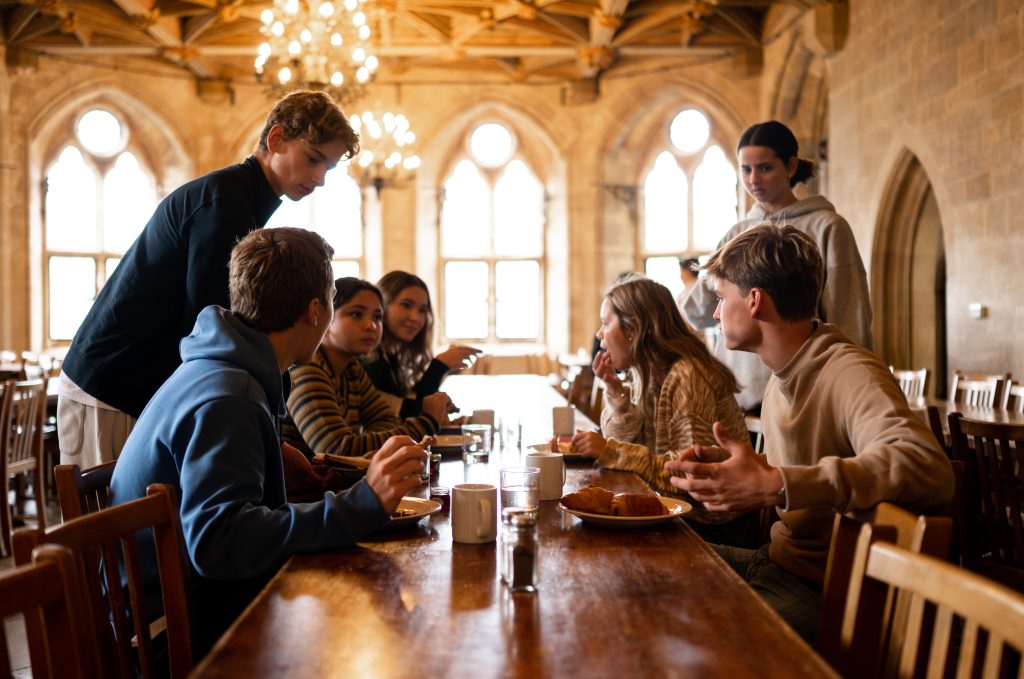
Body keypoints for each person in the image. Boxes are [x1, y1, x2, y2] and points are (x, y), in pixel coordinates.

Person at [108, 228, 428, 656]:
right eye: (334, 300)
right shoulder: (231, 395)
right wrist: (362, 503)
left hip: (193, 600)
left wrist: (271, 459)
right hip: (174, 632)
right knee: (373, 637)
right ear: (315, 310)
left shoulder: (226, 370)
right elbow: (219, 542)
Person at [666, 224, 954, 643]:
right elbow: (806, 472)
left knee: (680, 638)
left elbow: (926, 465)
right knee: (651, 565)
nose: (714, 313)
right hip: (773, 562)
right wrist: (747, 470)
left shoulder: (848, 370)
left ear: (754, 301)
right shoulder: (781, 376)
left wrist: (778, 482)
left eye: (721, 298)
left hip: (823, 592)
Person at [58, 90, 359, 470]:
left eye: (328, 168)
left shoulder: (241, 200)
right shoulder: (225, 204)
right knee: (118, 525)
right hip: (110, 385)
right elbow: (213, 325)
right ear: (276, 139)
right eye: (313, 159)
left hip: (134, 387)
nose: (319, 179)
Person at [682, 120, 873, 413]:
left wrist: (850, 390)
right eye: (746, 169)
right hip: (736, 392)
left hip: (802, 391)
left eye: (765, 168)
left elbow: (849, 317)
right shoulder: (737, 233)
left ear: (791, 166)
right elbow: (697, 310)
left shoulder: (826, 226)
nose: (754, 179)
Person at [572, 277, 755, 545]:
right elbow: (624, 442)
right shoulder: (646, 372)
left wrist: (610, 451)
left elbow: (688, 475)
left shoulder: (688, 375)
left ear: (634, 328)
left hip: (712, 529)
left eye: (605, 323)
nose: (599, 334)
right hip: (676, 512)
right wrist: (615, 390)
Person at [283, 277, 450, 458]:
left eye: (377, 317)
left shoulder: (351, 368)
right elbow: (336, 449)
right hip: (307, 486)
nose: (371, 325)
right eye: (356, 314)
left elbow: (387, 420)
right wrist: (427, 422)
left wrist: (367, 446)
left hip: (336, 482)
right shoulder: (307, 368)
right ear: (327, 317)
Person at [362, 271, 479, 418]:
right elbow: (407, 414)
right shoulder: (369, 357)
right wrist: (439, 366)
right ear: (382, 305)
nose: (416, 318)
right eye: (406, 305)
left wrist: (443, 371)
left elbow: (408, 403)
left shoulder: (391, 354)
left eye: (422, 310)